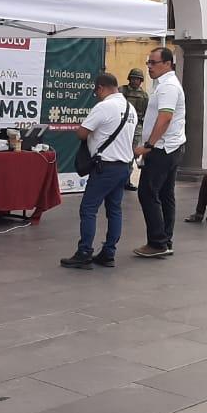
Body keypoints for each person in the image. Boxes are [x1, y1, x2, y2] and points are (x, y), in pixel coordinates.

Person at [60, 73, 137, 269]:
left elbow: (82, 133)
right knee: (114, 210)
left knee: (88, 209)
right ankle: (109, 253)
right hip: (124, 167)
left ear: (101, 88)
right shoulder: (131, 109)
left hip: (105, 168)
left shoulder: (104, 107)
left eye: (96, 92)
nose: (96, 95)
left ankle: (84, 252)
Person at [133, 46, 186, 259]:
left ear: (167, 64)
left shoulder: (168, 87)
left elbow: (165, 117)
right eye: (148, 62)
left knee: (147, 192)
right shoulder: (165, 85)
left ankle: (157, 241)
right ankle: (165, 240)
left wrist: (149, 145)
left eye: (153, 63)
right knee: (165, 194)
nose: (149, 66)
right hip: (171, 146)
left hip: (163, 148)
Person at [120, 68, 150, 192]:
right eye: (133, 78)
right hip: (122, 124)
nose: (135, 81)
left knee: (131, 154)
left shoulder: (144, 96)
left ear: (141, 81)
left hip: (137, 125)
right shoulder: (122, 91)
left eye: (137, 79)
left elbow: (147, 113)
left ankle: (126, 180)